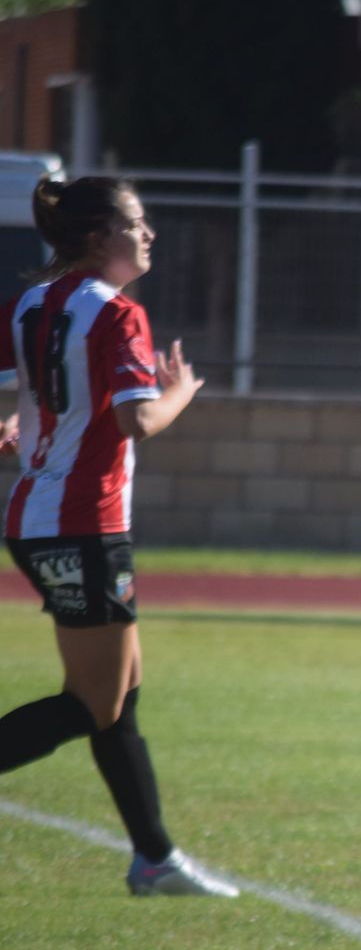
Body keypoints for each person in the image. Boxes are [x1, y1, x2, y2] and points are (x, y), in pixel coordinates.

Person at [0, 175, 236, 898]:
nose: (149, 234)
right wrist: (180, 394)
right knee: (94, 702)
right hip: (82, 523)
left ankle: (155, 858)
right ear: (101, 236)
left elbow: (30, 407)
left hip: (40, 515)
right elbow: (138, 422)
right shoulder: (116, 313)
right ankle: (155, 860)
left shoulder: (32, 303)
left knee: (120, 691)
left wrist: (21, 437)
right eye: (138, 223)